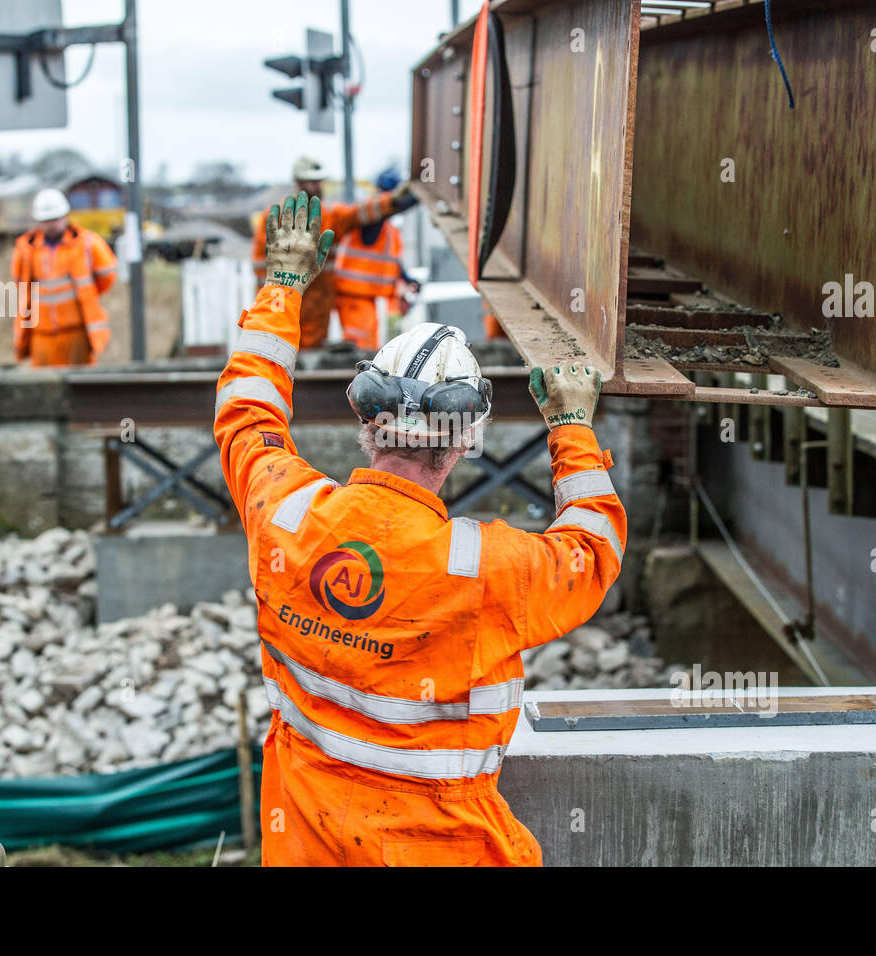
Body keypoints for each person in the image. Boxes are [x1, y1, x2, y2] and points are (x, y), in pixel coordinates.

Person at [215, 192, 625, 866]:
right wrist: (572, 427)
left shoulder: (284, 513)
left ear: (368, 422)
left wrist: (282, 284)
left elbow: (245, 409)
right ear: (465, 443)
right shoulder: (488, 570)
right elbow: (592, 549)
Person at [252, 157, 416, 349]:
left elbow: (359, 213)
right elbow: (261, 261)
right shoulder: (276, 215)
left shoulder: (329, 215)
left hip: (318, 297)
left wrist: (392, 201)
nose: (317, 186)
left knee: (309, 351)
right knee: (279, 346)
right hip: (284, 295)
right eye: (312, 182)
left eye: (319, 181)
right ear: (299, 183)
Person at [11, 188, 118, 367]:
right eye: (46, 220)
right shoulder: (26, 249)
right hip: (41, 333)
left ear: (65, 217)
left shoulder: (86, 243)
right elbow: (19, 282)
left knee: (80, 385)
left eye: (55, 219)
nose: (51, 225)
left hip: (76, 330)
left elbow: (107, 275)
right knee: (44, 386)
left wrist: (89, 294)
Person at [333, 168, 420, 350]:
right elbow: (383, 211)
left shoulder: (388, 228)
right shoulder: (371, 218)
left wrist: (406, 279)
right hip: (354, 297)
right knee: (360, 348)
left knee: (370, 348)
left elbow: (392, 261)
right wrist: (417, 195)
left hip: (368, 297)